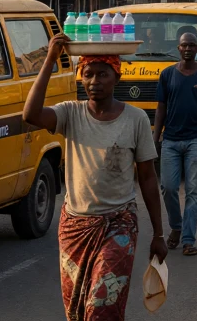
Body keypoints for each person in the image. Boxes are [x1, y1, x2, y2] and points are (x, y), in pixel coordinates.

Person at [22, 35, 165, 321]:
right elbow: (31, 114)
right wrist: (50, 59)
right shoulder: (70, 113)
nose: (94, 81)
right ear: (80, 78)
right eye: (88, 74)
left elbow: (148, 178)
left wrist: (159, 234)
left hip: (118, 225)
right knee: (76, 311)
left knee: (102, 308)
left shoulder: (135, 119)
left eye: (103, 74)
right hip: (75, 226)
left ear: (117, 77)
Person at [153, 32, 197, 256]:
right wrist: (155, 139)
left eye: (192, 45)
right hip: (171, 139)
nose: (188, 49)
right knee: (168, 187)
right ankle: (176, 227)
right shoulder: (167, 75)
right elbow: (161, 108)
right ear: (178, 48)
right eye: (184, 45)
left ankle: (188, 240)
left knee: (193, 191)